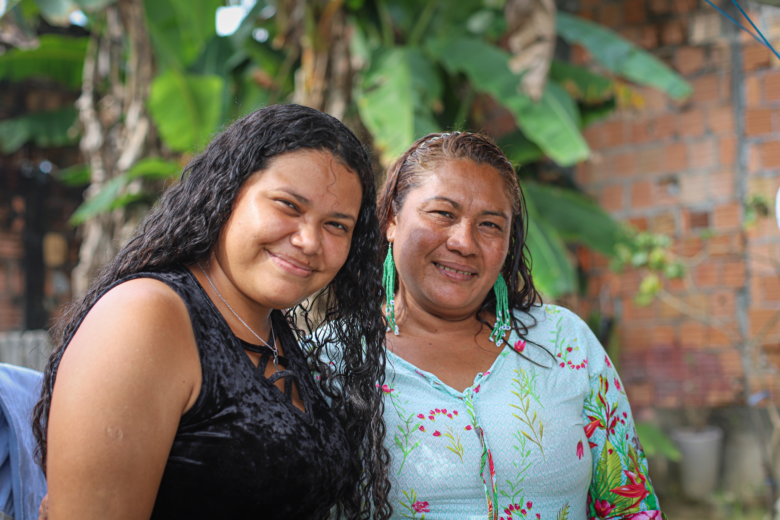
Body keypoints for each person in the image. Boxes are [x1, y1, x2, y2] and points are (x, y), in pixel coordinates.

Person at [31, 104, 392, 520]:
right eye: (288, 206)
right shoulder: (147, 315)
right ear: (226, 194)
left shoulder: (270, 330)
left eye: (336, 226)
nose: (310, 240)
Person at [369, 132, 664, 519]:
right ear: (393, 218)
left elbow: (630, 505)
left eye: (490, 224)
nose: (464, 242)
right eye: (443, 214)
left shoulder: (565, 343)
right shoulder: (335, 361)